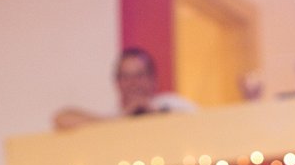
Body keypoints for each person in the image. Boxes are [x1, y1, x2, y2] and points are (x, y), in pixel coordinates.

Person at [53, 48, 196, 130]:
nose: (133, 83)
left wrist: (156, 113)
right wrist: (122, 117)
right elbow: (61, 119)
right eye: (126, 77)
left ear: (152, 79)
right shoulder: (114, 117)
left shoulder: (171, 104)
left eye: (139, 75)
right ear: (117, 83)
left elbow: (198, 124)